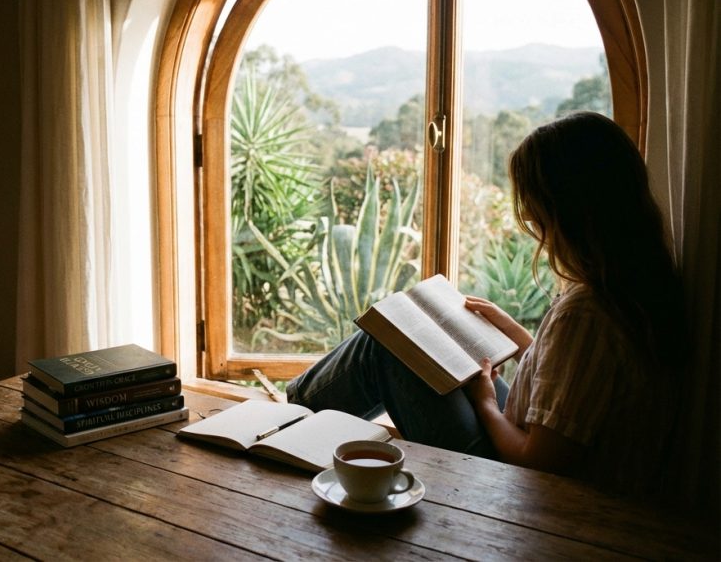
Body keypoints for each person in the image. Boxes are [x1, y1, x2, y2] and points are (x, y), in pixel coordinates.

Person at [286, 111, 685, 498]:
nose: (528, 214)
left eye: (533, 204)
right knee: (429, 354)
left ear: (562, 209)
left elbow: (539, 463)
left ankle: (291, 418)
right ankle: (295, 412)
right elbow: (580, 391)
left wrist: (487, 404)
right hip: (555, 467)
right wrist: (520, 337)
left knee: (386, 343)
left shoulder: (584, 313)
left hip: (519, 488)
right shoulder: (633, 288)